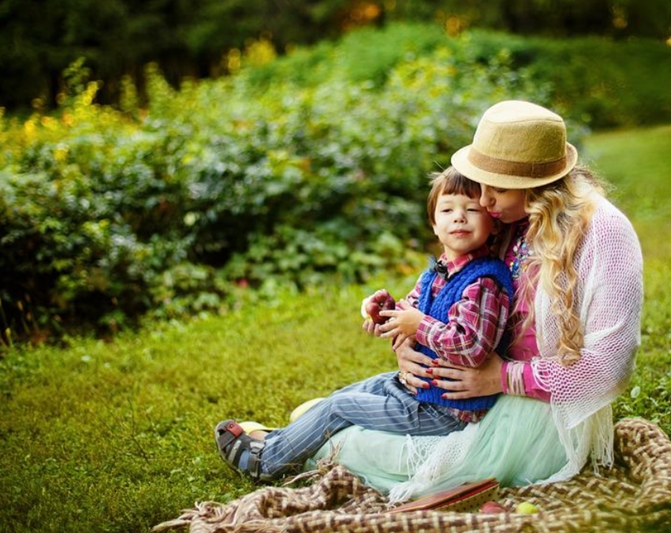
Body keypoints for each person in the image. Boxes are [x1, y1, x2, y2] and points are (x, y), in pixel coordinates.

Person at [304, 99, 644, 503]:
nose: (482, 201)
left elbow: (609, 368)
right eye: (479, 183)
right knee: (323, 415)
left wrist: (502, 377)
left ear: (537, 187)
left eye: (496, 188)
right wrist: (406, 344)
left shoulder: (603, 232)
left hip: (537, 412)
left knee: (344, 440)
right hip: (460, 400)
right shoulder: (503, 221)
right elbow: (451, 300)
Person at [214, 166, 514, 481]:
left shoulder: (484, 281)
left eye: (472, 210)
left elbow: (472, 347)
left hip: (447, 411)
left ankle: (265, 463)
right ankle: (281, 441)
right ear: (434, 224)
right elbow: (409, 314)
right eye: (448, 209)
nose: (459, 217)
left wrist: (419, 325)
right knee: (345, 393)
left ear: (492, 224)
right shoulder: (438, 271)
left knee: (339, 407)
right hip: (419, 390)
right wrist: (385, 311)